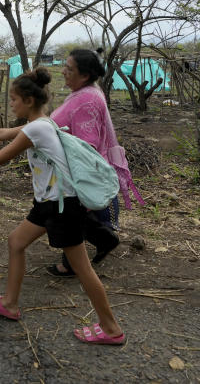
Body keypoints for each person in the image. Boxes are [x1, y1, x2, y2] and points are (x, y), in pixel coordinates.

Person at [0, 68, 125, 345]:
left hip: (61, 205)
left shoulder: (37, 128)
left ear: (29, 101)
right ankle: (9, 303)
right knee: (16, 242)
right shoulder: (42, 123)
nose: (11, 103)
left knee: (82, 268)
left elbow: (0, 158)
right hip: (49, 203)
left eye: (14, 99)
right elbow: (5, 132)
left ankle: (111, 328)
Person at [46, 48, 143, 277]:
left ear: (85, 75)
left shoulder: (87, 98)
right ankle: (102, 239)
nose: (63, 72)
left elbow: (87, 143)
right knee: (67, 211)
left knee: (67, 212)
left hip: (77, 167)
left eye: (69, 69)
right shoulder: (86, 91)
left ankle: (74, 261)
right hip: (72, 166)